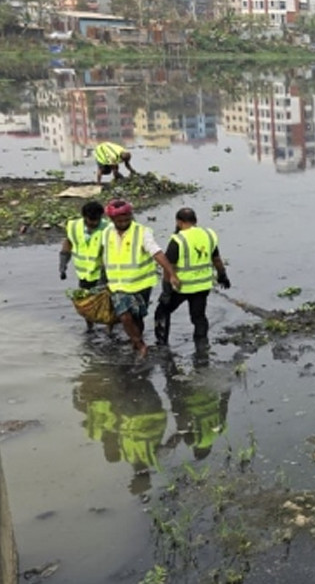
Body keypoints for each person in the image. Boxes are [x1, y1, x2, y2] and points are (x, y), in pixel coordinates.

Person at [100, 200, 180, 357]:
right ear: (112, 220)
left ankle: (135, 340)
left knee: (138, 317)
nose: (123, 223)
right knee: (124, 315)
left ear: (131, 216)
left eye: (126, 219)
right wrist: (102, 279)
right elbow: (104, 256)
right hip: (118, 285)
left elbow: (156, 253)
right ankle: (141, 345)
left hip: (141, 284)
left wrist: (171, 273)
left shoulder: (142, 232)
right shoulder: (107, 232)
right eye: (119, 221)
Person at [73, 370, 168, 495]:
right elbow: (170, 445)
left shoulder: (130, 455)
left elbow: (111, 422)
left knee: (133, 379)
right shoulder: (149, 457)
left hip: (135, 411)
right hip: (145, 411)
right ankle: (136, 363)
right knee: (137, 379)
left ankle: (134, 365)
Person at [153, 208, 230, 347]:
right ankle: (202, 347)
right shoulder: (208, 234)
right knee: (198, 317)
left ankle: (162, 344)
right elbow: (216, 259)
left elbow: (168, 266)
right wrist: (222, 275)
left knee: (162, 311)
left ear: (179, 222)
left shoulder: (178, 239)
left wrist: (166, 290)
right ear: (196, 221)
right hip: (203, 286)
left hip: (181, 286)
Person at [59, 200, 108, 290]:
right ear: (84, 217)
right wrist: (63, 265)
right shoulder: (73, 226)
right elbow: (68, 243)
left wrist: (104, 277)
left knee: (102, 302)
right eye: (91, 220)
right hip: (83, 275)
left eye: (97, 220)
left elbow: (110, 254)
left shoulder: (108, 228)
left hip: (101, 275)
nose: (95, 223)